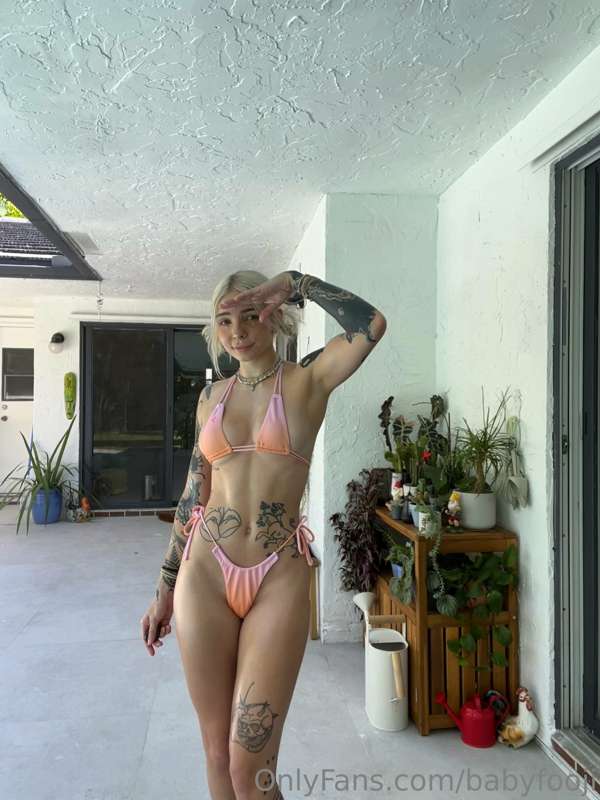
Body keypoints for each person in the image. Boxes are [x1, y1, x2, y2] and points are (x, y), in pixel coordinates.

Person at [140, 269, 387, 799]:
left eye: (251, 314)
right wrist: (164, 587)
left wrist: (296, 283)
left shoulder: (307, 380)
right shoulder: (210, 397)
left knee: (250, 762)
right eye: (225, 319)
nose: (238, 331)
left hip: (278, 574)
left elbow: (370, 325)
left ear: (274, 314)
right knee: (216, 752)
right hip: (204, 571)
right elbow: (194, 494)